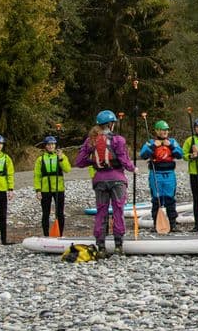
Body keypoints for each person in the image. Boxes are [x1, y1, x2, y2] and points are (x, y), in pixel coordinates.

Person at [75, 110, 135, 256]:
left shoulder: (91, 140)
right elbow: (124, 160)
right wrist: (134, 168)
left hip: (100, 181)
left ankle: (101, 246)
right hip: (117, 181)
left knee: (101, 212)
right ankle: (118, 245)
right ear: (111, 124)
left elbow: (79, 162)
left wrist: (95, 161)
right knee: (118, 210)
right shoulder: (118, 140)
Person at [140, 120, 184, 232]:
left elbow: (180, 154)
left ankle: (173, 224)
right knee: (157, 199)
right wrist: (153, 147)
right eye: (162, 130)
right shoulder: (151, 142)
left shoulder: (172, 141)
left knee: (170, 199)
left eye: (166, 130)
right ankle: (156, 224)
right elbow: (143, 155)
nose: (164, 132)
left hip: (169, 174)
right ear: (157, 131)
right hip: (156, 174)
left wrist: (172, 146)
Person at [33, 135, 71, 237]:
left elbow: (67, 169)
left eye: (53, 144)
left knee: (60, 213)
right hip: (45, 190)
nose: (51, 146)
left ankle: (60, 234)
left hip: (59, 189)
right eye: (49, 145)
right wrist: (38, 190)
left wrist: (61, 158)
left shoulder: (61, 156)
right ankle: (46, 234)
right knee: (45, 213)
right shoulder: (40, 159)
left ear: (55, 146)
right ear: (45, 146)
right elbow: (37, 176)